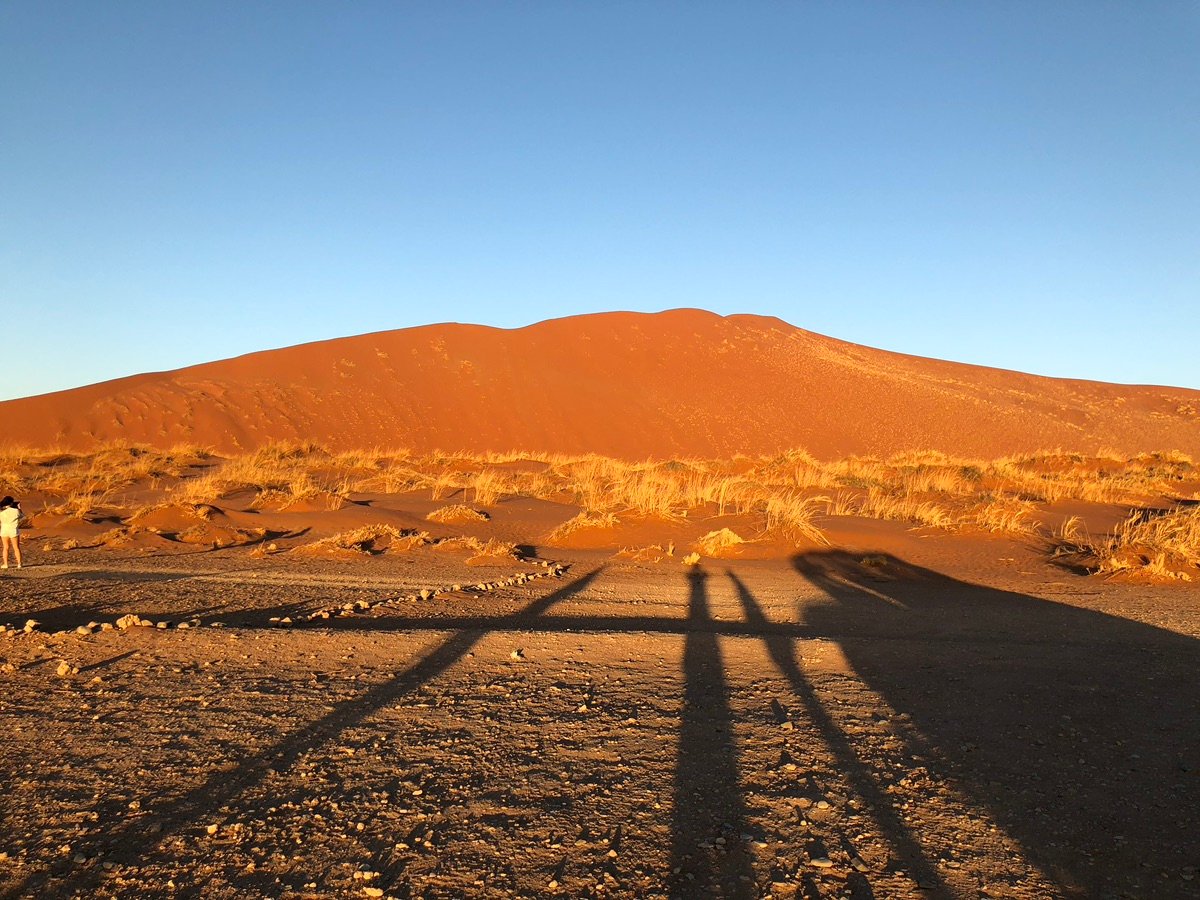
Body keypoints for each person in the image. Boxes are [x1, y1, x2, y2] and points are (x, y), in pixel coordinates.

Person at [0, 495, 23, 569]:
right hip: (13, 530)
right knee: (16, 548)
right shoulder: (16, 511)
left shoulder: (1, 512)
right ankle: (19, 564)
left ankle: (6, 564)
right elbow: (22, 516)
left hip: (4, 530)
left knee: (5, 547)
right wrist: (19, 508)